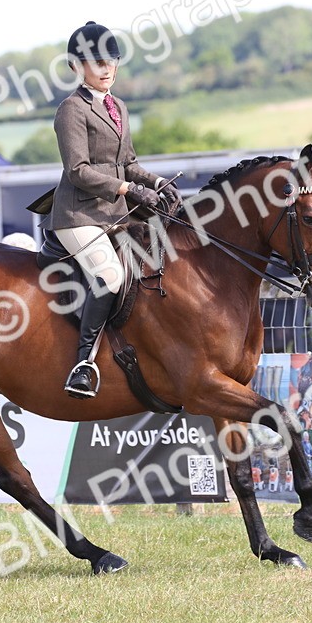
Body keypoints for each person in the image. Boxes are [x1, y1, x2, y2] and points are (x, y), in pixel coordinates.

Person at [49, 21, 178, 398]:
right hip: (79, 216)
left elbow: (129, 162)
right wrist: (127, 188)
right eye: (98, 62)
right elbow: (78, 171)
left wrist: (157, 183)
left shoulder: (117, 105)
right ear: (77, 65)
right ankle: (84, 364)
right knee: (109, 275)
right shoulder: (71, 109)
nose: (107, 69)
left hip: (115, 213)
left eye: (112, 61)